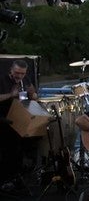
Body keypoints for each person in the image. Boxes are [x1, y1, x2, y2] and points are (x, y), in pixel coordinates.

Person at [0, 59, 38, 187]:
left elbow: (34, 97)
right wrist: (11, 94)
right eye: (17, 73)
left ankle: (22, 172)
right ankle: (8, 177)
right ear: (11, 70)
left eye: (22, 73)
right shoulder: (2, 80)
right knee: (11, 145)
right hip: (5, 117)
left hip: (22, 115)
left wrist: (33, 95)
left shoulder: (26, 80)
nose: (20, 76)